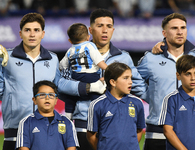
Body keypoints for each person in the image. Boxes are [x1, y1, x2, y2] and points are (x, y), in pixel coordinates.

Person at [0, 12, 95, 150]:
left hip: (47, 130)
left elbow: (60, 84)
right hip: (14, 130)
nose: (32, 34)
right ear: (20, 34)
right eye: (27, 30)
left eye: (36, 30)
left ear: (42, 34)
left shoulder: (52, 59)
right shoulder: (7, 58)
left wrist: (88, 87)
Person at [59, 8, 147, 150]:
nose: (105, 30)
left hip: (117, 125)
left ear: (113, 30)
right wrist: (90, 87)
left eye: (109, 26)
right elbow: (61, 84)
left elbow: (139, 87)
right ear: (90, 30)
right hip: (84, 123)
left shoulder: (123, 57)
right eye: (100, 26)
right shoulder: (74, 53)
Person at [137, 12, 195, 150]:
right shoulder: (150, 59)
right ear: (164, 33)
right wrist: (151, 97)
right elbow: (134, 80)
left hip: (191, 130)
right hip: (157, 133)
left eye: (183, 28)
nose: (179, 32)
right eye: (174, 28)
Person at [87, 62, 145, 150]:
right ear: (113, 82)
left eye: (131, 78)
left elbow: (139, 130)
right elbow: (91, 135)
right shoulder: (97, 104)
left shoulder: (137, 103)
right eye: (125, 78)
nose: (130, 82)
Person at [16, 80, 79, 150]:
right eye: (42, 95)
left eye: (51, 95)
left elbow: (71, 147)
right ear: (34, 100)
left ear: (56, 100)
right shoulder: (26, 122)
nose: (47, 98)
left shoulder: (67, 122)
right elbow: (23, 148)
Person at [160, 55, 195, 150]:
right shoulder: (171, 99)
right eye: (188, 74)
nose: (193, 78)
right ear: (178, 76)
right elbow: (167, 131)